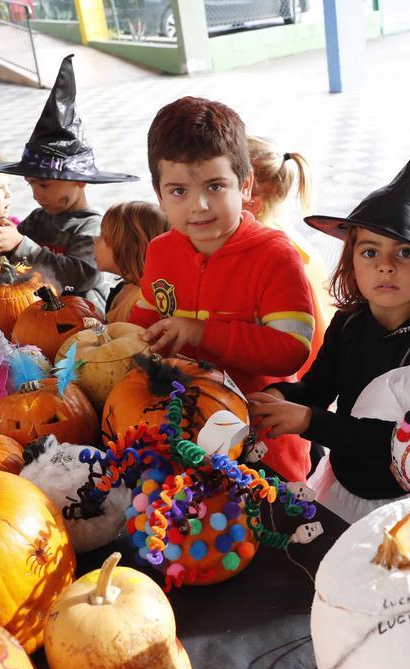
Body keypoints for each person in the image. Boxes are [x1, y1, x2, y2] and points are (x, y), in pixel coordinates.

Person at [249, 95, 410, 523]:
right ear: (351, 262)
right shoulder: (348, 325)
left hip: (401, 503)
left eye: (405, 252)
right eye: (370, 252)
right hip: (342, 484)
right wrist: (277, 396)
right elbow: (317, 389)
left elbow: (400, 439)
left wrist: (310, 421)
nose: (385, 264)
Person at [127, 96, 315, 482]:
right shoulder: (160, 251)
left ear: (245, 185)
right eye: (178, 190)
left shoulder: (275, 255)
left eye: (215, 186)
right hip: (182, 438)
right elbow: (143, 323)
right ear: (159, 194)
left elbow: (290, 352)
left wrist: (200, 333)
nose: (198, 205)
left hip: (264, 447)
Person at [0, 55, 138, 306]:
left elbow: (81, 275)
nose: (36, 193)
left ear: (80, 181)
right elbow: (10, 255)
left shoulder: (91, 226)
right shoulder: (38, 220)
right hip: (37, 309)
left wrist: (20, 244)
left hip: (82, 317)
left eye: (44, 185)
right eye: (31, 184)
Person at [246, 135, 334, 375]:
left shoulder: (273, 257)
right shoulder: (288, 238)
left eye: (218, 188)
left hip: (289, 384)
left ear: (252, 204)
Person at [93, 201, 169, 323]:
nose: (95, 240)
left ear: (129, 248)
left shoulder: (143, 301)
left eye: (103, 236)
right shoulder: (120, 289)